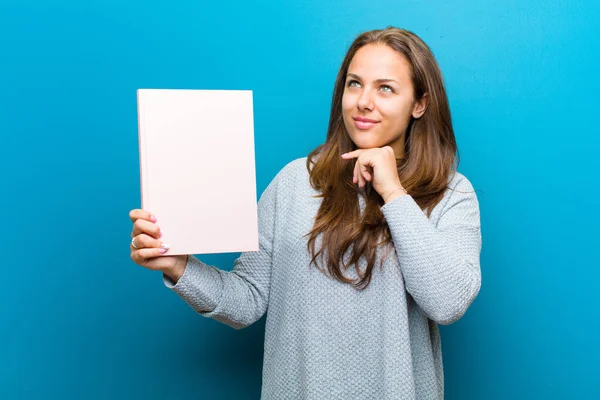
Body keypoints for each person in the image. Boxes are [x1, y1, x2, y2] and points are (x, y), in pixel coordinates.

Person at [129, 26, 482, 400]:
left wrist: (393, 192)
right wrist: (178, 265)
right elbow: (247, 299)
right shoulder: (296, 181)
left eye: (385, 88)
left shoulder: (451, 192)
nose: (363, 101)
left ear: (419, 104)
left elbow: (448, 303)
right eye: (354, 84)